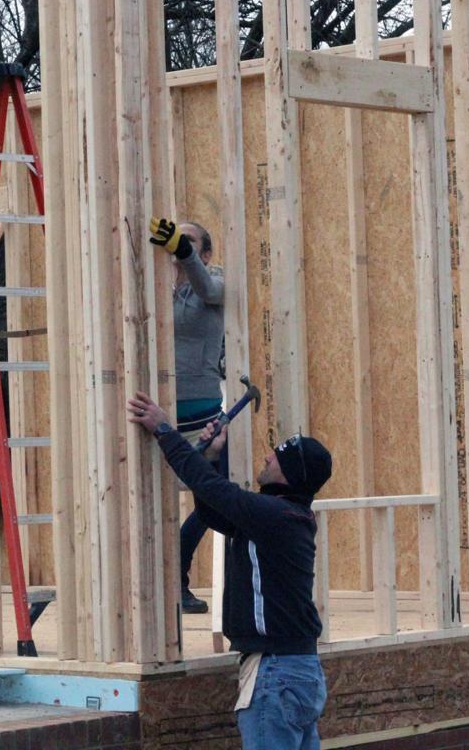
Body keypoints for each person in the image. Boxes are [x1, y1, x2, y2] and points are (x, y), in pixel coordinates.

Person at [127, 390, 331, 750]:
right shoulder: (283, 517)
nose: (267, 456)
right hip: (298, 670)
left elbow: (213, 489)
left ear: (289, 475)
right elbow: (213, 509)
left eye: (277, 456)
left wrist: (164, 430)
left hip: (275, 672)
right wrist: (210, 455)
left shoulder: (273, 516)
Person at [149, 218, 225, 615]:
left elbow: (208, 289)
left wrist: (183, 252)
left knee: (213, 502)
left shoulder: (215, 281)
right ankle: (164, 586)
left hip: (203, 413)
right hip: (159, 415)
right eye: (175, 238)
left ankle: (177, 573)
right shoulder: (155, 288)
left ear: (205, 253)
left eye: (190, 241)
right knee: (148, 500)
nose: (178, 245)